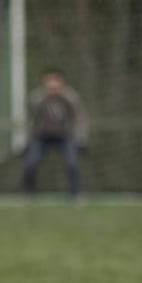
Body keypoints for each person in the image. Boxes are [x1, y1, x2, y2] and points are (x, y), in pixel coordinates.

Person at [22, 69, 89, 199]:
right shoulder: (37, 97)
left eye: (55, 81)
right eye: (49, 81)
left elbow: (80, 117)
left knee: (72, 163)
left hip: (64, 136)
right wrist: (26, 138)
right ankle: (28, 194)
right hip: (41, 137)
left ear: (61, 82)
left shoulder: (70, 97)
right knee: (30, 163)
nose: (52, 85)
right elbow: (29, 119)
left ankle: (75, 194)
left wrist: (81, 137)